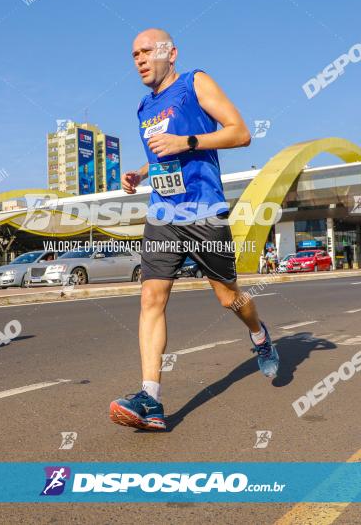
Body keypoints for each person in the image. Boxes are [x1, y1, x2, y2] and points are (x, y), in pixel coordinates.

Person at [108, 28, 279, 432]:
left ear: (171, 53)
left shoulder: (194, 82)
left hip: (205, 212)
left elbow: (240, 132)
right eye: (134, 54)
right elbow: (162, 153)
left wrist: (186, 141)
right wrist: (143, 171)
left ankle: (259, 333)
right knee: (151, 297)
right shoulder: (143, 108)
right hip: (164, 214)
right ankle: (150, 398)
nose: (139, 59)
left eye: (147, 51)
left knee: (228, 299)